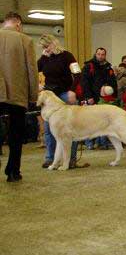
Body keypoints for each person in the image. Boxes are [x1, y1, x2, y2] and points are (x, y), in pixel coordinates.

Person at [0, 12, 39, 182]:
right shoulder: (25, 40)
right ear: (18, 24)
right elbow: (32, 69)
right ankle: (13, 171)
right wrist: (32, 96)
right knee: (16, 133)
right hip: (17, 93)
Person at [37, 34, 80, 168]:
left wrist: (72, 90)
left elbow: (78, 74)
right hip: (50, 98)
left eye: (47, 46)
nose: (46, 49)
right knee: (49, 129)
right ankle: (51, 158)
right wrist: (38, 85)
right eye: (43, 47)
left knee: (70, 128)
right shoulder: (44, 59)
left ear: (54, 43)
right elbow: (33, 71)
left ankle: (71, 159)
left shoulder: (67, 56)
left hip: (65, 93)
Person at [80, 47, 117, 149]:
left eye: (102, 54)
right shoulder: (88, 66)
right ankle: (89, 143)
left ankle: (102, 143)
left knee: (102, 122)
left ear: (105, 55)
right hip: (91, 98)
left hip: (104, 99)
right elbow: (84, 82)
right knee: (89, 122)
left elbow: (113, 83)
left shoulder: (108, 68)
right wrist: (88, 96)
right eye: (99, 54)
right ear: (95, 54)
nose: (100, 56)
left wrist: (112, 96)